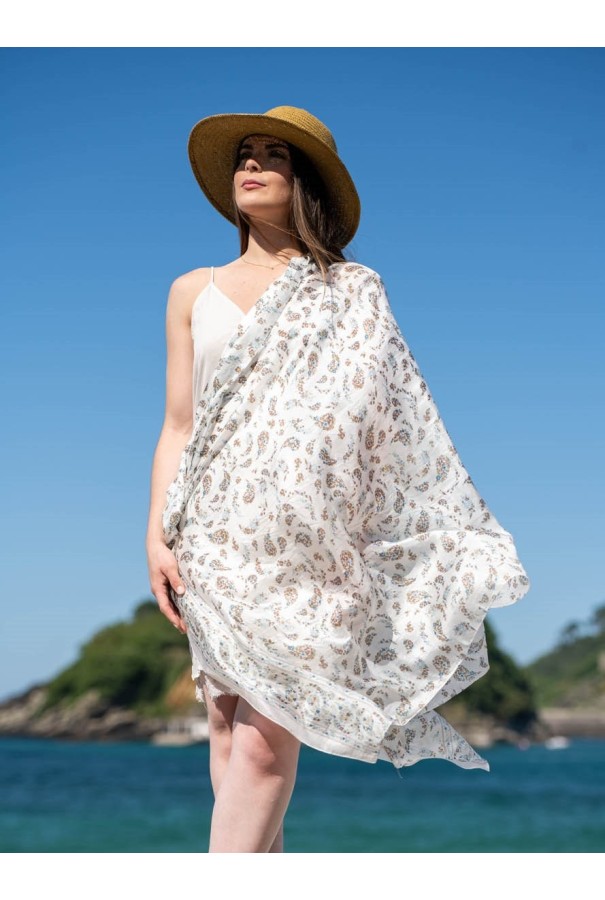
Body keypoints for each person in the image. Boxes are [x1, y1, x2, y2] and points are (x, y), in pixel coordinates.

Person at [146, 106, 531, 853]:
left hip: (312, 549)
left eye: (274, 155)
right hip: (212, 538)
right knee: (226, 734)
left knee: (265, 746)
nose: (251, 165)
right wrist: (156, 538)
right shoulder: (193, 289)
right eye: (244, 154)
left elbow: (392, 423)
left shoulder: (352, 288)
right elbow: (178, 426)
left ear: (306, 182)